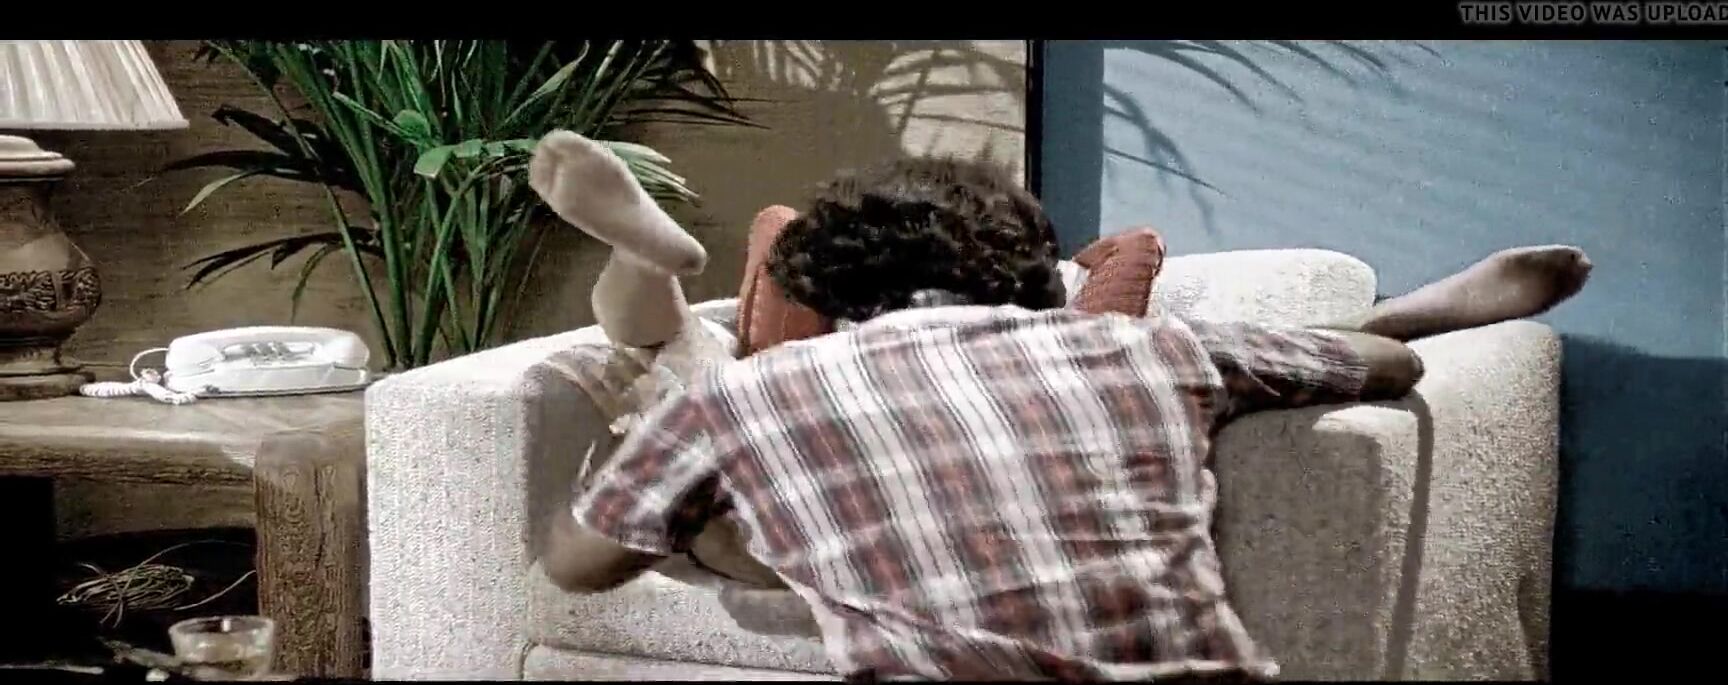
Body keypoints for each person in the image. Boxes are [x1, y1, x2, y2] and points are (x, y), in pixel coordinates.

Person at [526, 131, 1592, 681]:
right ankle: (1416, 303)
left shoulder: (752, 395)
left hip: (792, 507)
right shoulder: (1143, 347)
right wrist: (1395, 333)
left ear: (827, 287)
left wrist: (643, 463)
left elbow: (577, 566)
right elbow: (1380, 372)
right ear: (1036, 274)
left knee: (725, 525)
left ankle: (670, 352)